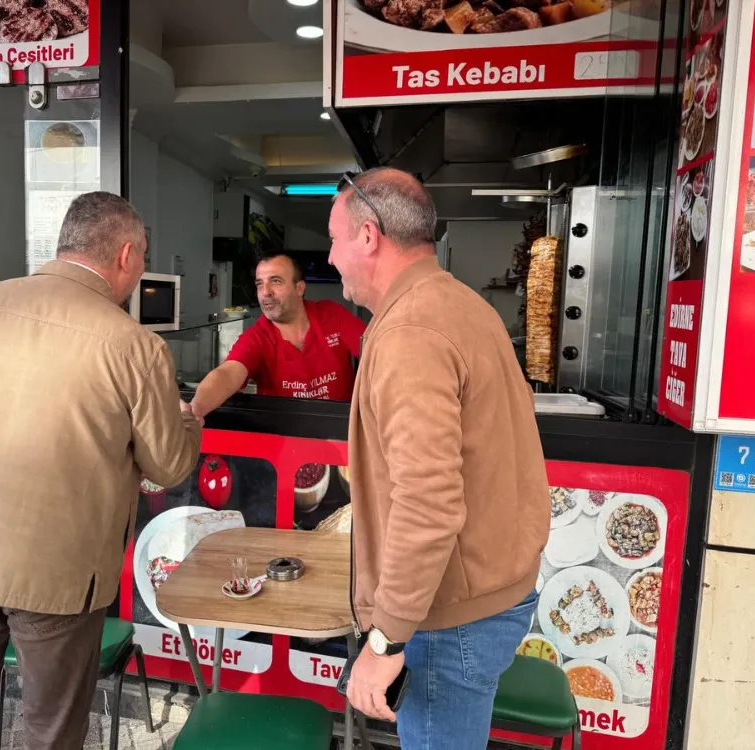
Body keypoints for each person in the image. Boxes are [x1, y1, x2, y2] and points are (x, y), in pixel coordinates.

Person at [0, 192, 202, 750]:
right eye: (143, 256)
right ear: (126, 254)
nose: (141, 269)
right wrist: (188, 419)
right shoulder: (136, 346)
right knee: (51, 730)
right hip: (60, 577)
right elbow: (167, 465)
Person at [328, 169, 550, 749]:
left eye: (333, 239)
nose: (330, 258)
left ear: (368, 236)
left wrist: (386, 640)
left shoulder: (410, 330)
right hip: (481, 597)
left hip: (449, 618)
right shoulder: (460, 303)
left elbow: (427, 502)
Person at [190, 251, 366, 418]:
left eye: (275, 281)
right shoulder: (257, 337)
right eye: (259, 284)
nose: (265, 292)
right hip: (281, 433)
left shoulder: (332, 315)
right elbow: (228, 374)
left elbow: (375, 350)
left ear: (299, 288)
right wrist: (194, 410)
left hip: (341, 429)